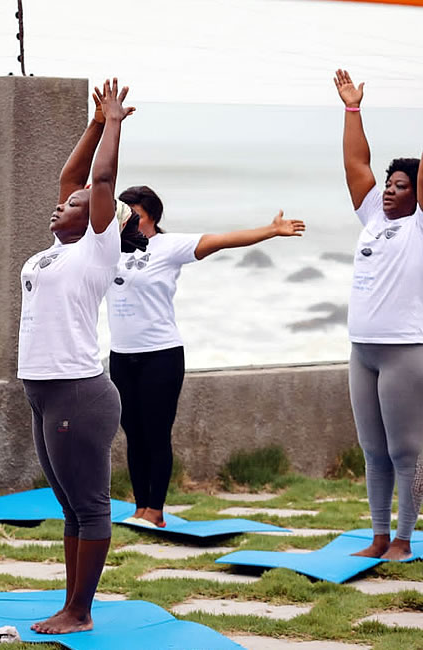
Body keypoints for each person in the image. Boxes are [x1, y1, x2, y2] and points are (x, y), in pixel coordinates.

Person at [18, 78, 140, 635]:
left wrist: (113, 123)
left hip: (78, 393)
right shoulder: (54, 252)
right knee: (69, 509)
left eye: (74, 205)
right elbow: (74, 177)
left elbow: (98, 180)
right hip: (42, 393)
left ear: (96, 216)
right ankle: (72, 605)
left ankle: (81, 611)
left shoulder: (96, 249)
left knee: (90, 507)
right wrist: (91, 125)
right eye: (63, 203)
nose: (60, 205)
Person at [107, 185, 304, 528]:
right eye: (122, 214)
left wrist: (271, 230)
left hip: (161, 355)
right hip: (121, 356)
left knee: (156, 433)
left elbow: (224, 239)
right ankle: (139, 508)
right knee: (132, 433)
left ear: (151, 215)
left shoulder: (170, 246)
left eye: (134, 214)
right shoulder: (109, 249)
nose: (127, 221)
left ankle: (156, 510)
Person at [334, 68, 423, 560]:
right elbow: (355, 163)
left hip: (407, 353)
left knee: (404, 453)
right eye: (389, 183)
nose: (390, 190)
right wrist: (352, 109)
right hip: (362, 350)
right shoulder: (372, 218)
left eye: (400, 185)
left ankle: (405, 540)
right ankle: (378, 537)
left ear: (417, 196)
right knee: (372, 453)